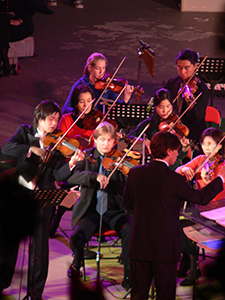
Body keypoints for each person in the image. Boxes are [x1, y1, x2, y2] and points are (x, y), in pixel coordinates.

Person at [123, 130, 225, 300]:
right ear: (169, 152)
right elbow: (201, 198)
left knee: (138, 295)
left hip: (139, 245)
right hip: (165, 249)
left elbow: (127, 205)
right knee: (165, 295)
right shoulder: (174, 180)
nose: (178, 153)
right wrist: (220, 180)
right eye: (176, 150)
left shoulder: (135, 173)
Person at [1, 100, 84, 300]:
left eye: (57, 119)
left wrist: (71, 163)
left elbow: (58, 175)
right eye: (50, 119)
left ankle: (35, 293)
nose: (54, 123)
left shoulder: (58, 142)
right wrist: (31, 150)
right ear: (39, 117)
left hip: (44, 199)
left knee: (40, 250)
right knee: (10, 245)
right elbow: (7, 148)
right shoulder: (25, 132)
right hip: (20, 198)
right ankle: (2, 283)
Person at [67, 121, 133, 291]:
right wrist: (94, 176)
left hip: (115, 211)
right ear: (95, 140)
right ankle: (77, 263)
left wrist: (125, 173)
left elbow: (130, 186)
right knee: (76, 237)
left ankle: (128, 276)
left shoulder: (120, 159)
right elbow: (72, 177)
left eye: (109, 140)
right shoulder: (87, 156)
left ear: (114, 142)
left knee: (130, 230)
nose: (106, 144)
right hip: (91, 212)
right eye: (102, 140)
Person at [175, 127, 225, 286]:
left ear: (219, 146)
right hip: (199, 209)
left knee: (192, 231)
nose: (207, 148)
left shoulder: (222, 165)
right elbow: (177, 171)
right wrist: (186, 168)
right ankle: (190, 263)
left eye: (211, 144)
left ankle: (191, 267)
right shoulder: (200, 160)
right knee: (178, 227)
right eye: (204, 144)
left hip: (217, 211)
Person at [49, 84, 96, 238]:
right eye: (82, 101)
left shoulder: (96, 120)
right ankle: (59, 220)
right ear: (75, 103)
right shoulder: (67, 119)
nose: (86, 105)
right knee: (75, 184)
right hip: (69, 163)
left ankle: (78, 225)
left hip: (88, 164)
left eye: (89, 100)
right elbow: (61, 145)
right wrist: (75, 140)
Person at [127, 88, 190, 170]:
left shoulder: (176, 124)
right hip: (151, 166)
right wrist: (143, 141)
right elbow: (129, 137)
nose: (165, 111)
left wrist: (185, 148)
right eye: (161, 107)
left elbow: (180, 156)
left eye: (168, 106)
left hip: (171, 168)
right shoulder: (149, 123)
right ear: (155, 107)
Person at [62, 52, 134, 114]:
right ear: (90, 68)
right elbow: (65, 109)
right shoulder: (80, 84)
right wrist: (81, 111)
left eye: (103, 68)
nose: (101, 72)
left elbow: (118, 111)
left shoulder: (108, 86)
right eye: (97, 68)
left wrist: (126, 99)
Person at [165, 48, 210, 143]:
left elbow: (197, 118)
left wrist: (190, 104)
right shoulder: (172, 83)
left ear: (195, 66)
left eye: (187, 68)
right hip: (173, 129)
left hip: (192, 134)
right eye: (179, 67)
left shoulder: (202, 89)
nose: (182, 72)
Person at [0, 0, 53, 76]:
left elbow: (33, 6)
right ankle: (5, 63)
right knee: (2, 25)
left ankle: (6, 63)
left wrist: (20, 20)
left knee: (2, 28)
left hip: (19, 26)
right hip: (4, 26)